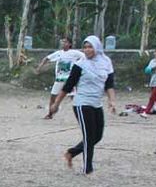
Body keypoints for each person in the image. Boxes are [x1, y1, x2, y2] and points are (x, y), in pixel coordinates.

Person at [49, 35, 117, 175]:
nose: (87, 50)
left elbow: (109, 84)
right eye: (85, 47)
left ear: (97, 47)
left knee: (97, 136)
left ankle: (71, 153)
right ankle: (87, 168)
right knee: (89, 136)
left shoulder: (106, 62)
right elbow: (68, 86)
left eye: (90, 47)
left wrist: (112, 101)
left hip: (96, 103)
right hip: (82, 103)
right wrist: (56, 104)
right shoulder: (80, 64)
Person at [36, 36, 84, 119]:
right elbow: (47, 58)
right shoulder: (59, 53)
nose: (63, 43)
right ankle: (50, 114)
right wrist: (39, 67)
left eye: (65, 42)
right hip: (59, 79)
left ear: (70, 44)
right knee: (53, 96)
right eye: (62, 42)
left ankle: (82, 114)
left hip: (69, 79)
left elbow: (84, 57)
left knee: (74, 97)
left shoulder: (74, 53)